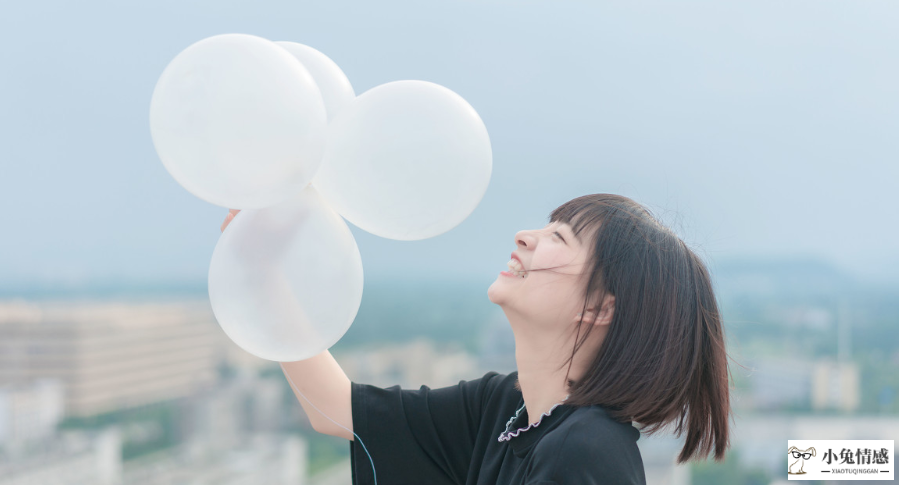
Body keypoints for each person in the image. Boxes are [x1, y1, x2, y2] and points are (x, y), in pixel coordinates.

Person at [220, 193, 732, 485]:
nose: (525, 237)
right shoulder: (505, 408)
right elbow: (334, 409)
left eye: (559, 238)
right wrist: (263, 268)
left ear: (599, 307)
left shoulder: (587, 452)